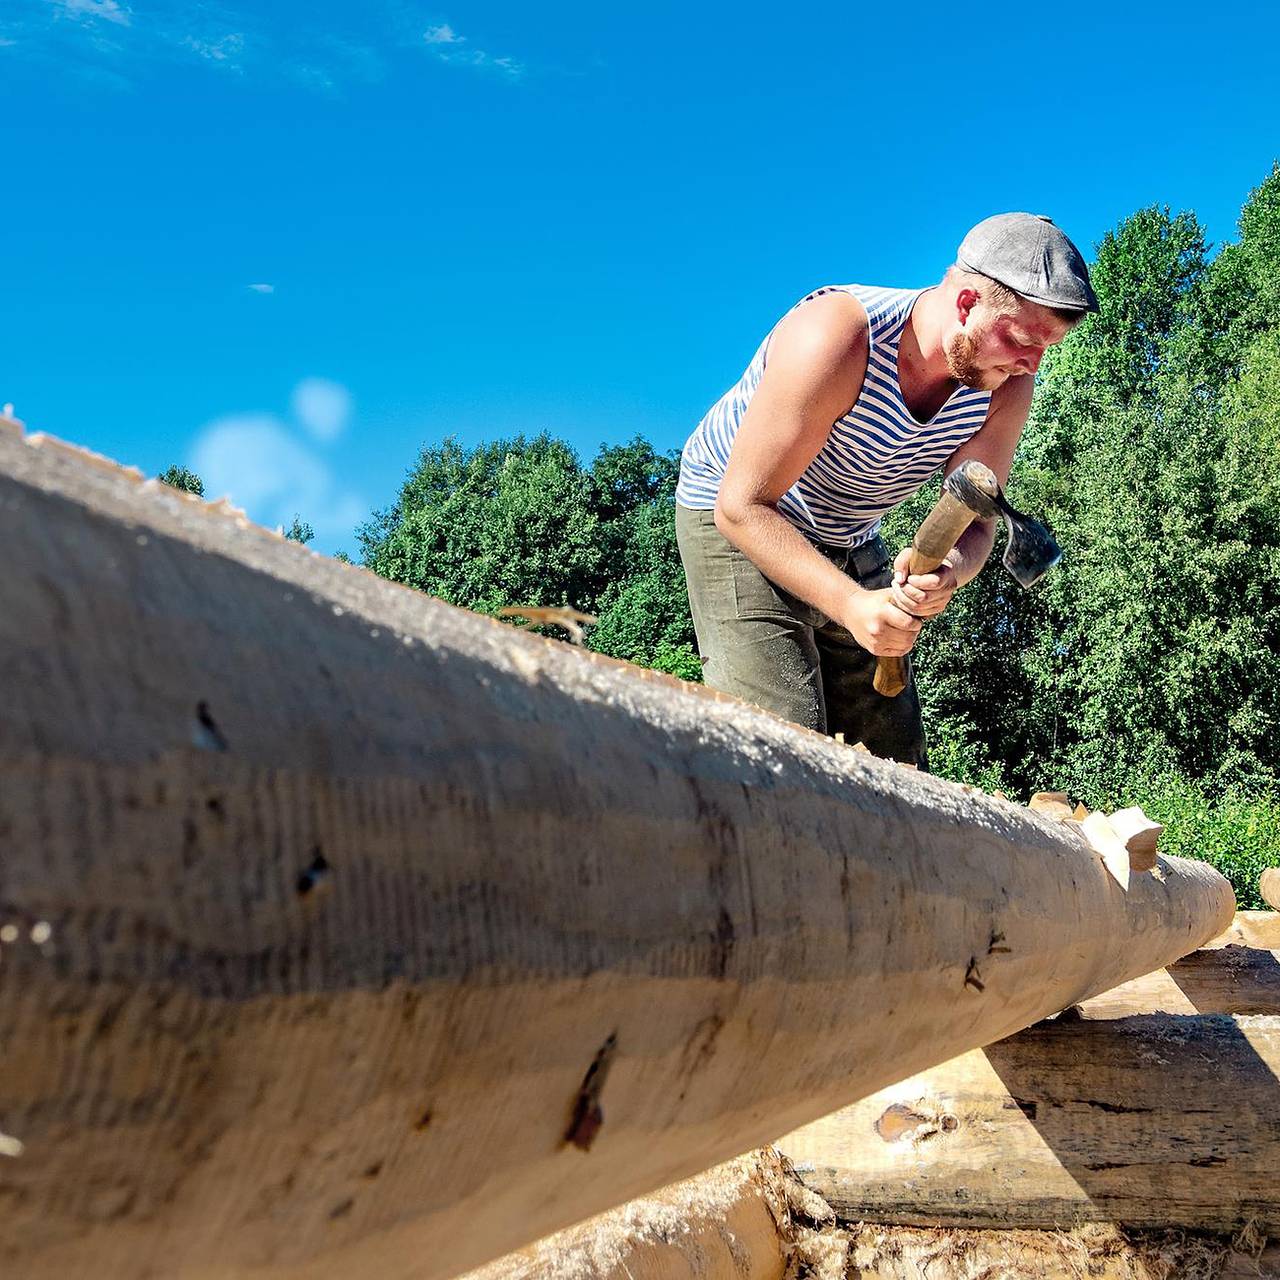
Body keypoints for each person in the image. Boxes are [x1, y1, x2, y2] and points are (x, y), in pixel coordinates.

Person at [675, 213, 1097, 766]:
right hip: (740, 514)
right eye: (1020, 340)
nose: (1031, 364)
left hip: (849, 531)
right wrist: (851, 603)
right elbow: (743, 506)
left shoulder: (1007, 385)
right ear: (967, 303)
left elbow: (980, 519)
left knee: (895, 766)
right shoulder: (836, 336)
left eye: (1048, 348)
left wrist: (951, 570)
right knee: (784, 752)